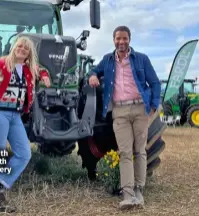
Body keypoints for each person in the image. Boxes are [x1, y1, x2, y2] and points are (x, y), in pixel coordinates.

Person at [0, 36, 51, 213]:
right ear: (14, 46)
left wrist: (45, 76)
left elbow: (42, 70)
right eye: (20, 46)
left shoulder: (30, 69)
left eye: (26, 48)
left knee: (24, 153)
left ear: (29, 53)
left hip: (15, 115)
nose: (22, 49)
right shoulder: (1, 64)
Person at [89, 26, 161, 210]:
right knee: (125, 152)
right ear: (113, 40)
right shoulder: (107, 60)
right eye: (118, 38)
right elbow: (93, 70)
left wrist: (153, 105)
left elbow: (154, 82)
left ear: (129, 40)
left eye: (125, 38)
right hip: (119, 111)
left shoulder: (142, 59)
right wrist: (92, 76)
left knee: (140, 151)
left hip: (139, 109)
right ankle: (128, 194)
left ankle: (139, 190)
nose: (121, 42)